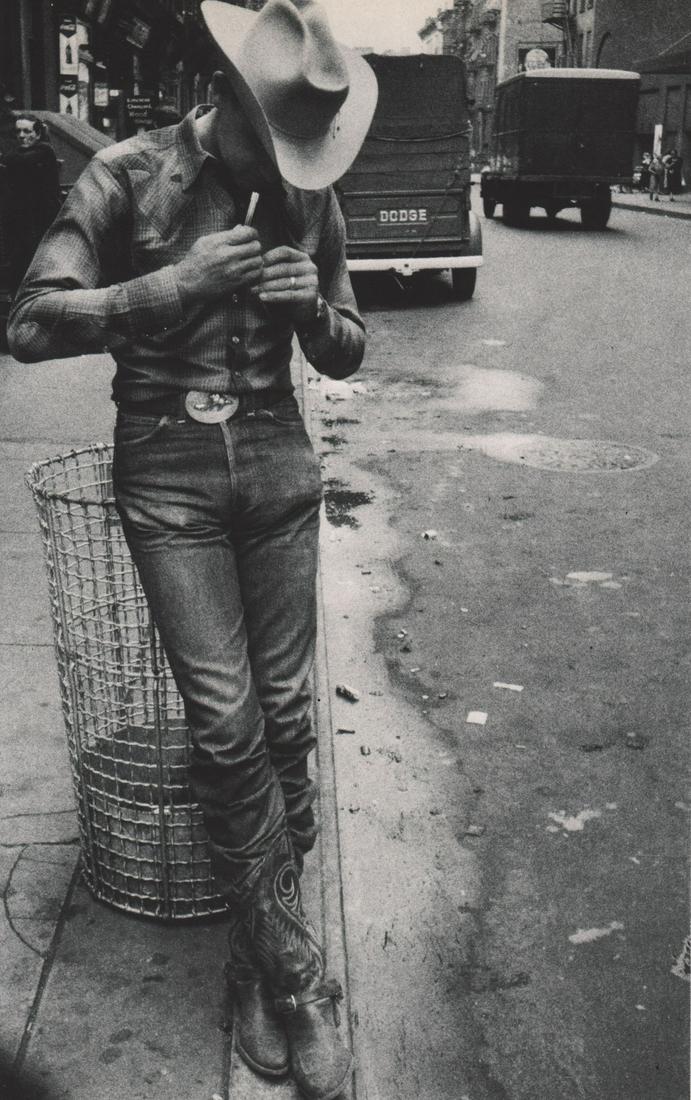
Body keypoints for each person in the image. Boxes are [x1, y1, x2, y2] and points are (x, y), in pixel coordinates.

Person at [8, 3, 377, 1098]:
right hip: (166, 463)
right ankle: (293, 972)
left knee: (291, 713)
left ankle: (265, 957)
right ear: (227, 100)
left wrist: (315, 310)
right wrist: (164, 290)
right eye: (280, 138)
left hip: (276, 461)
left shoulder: (312, 196)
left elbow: (350, 348)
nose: (295, 165)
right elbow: (28, 319)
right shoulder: (126, 175)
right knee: (225, 723)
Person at [1, 112, 61, 294]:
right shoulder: (19, 153)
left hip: (40, 219)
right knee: (18, 264)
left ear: (38, 133)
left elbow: (18, 161)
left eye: (26, 131)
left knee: (31, 262)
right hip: (20, 219)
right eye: (18, 131)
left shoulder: (45, 150)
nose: (21, 136)